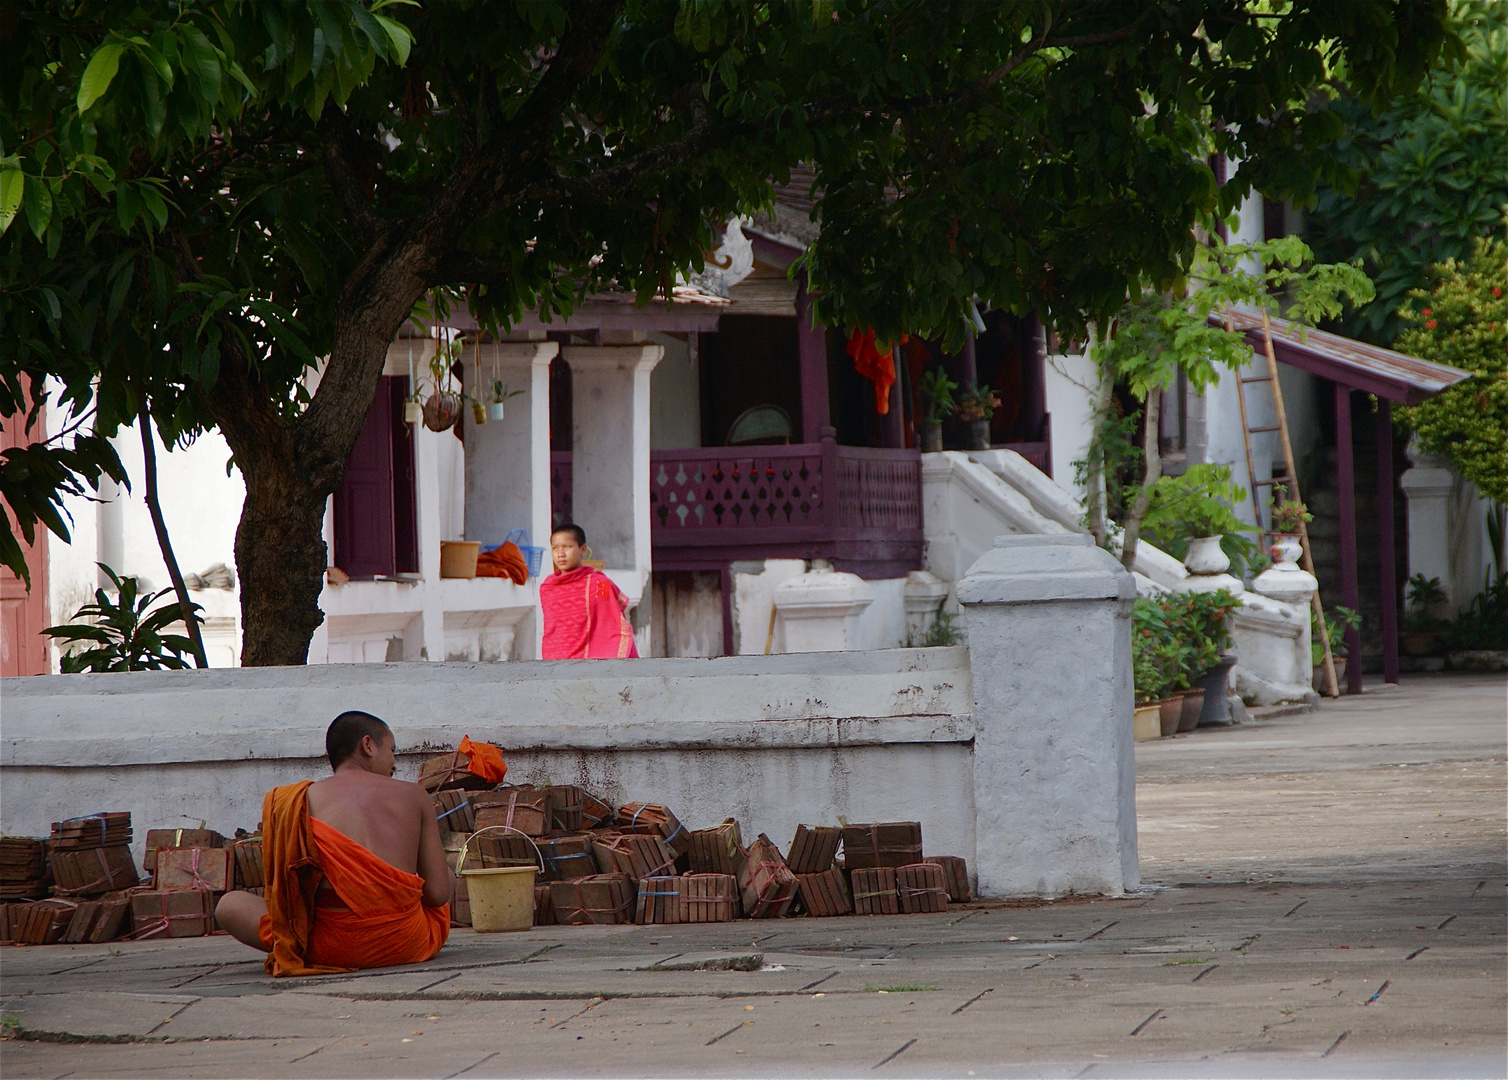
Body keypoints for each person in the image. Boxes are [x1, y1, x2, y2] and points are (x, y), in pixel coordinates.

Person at [216, 712, 451, 976]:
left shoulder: (298, 800)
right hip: (404, 942)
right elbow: (438, 894)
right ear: (368, 745)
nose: (394, 761)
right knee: (443, 875)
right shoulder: (414, 794)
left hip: (328, 948)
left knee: (229, 904)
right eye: (392, 750)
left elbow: (290, 897)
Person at [539, 522, 639, 660]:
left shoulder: (600, 584)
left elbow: (610, 619)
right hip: (556, 659)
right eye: (555, 548)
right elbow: (551, 631)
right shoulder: (548, 587)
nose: (560, 554)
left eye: (567, 547)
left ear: (582, 549)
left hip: (593, 660)